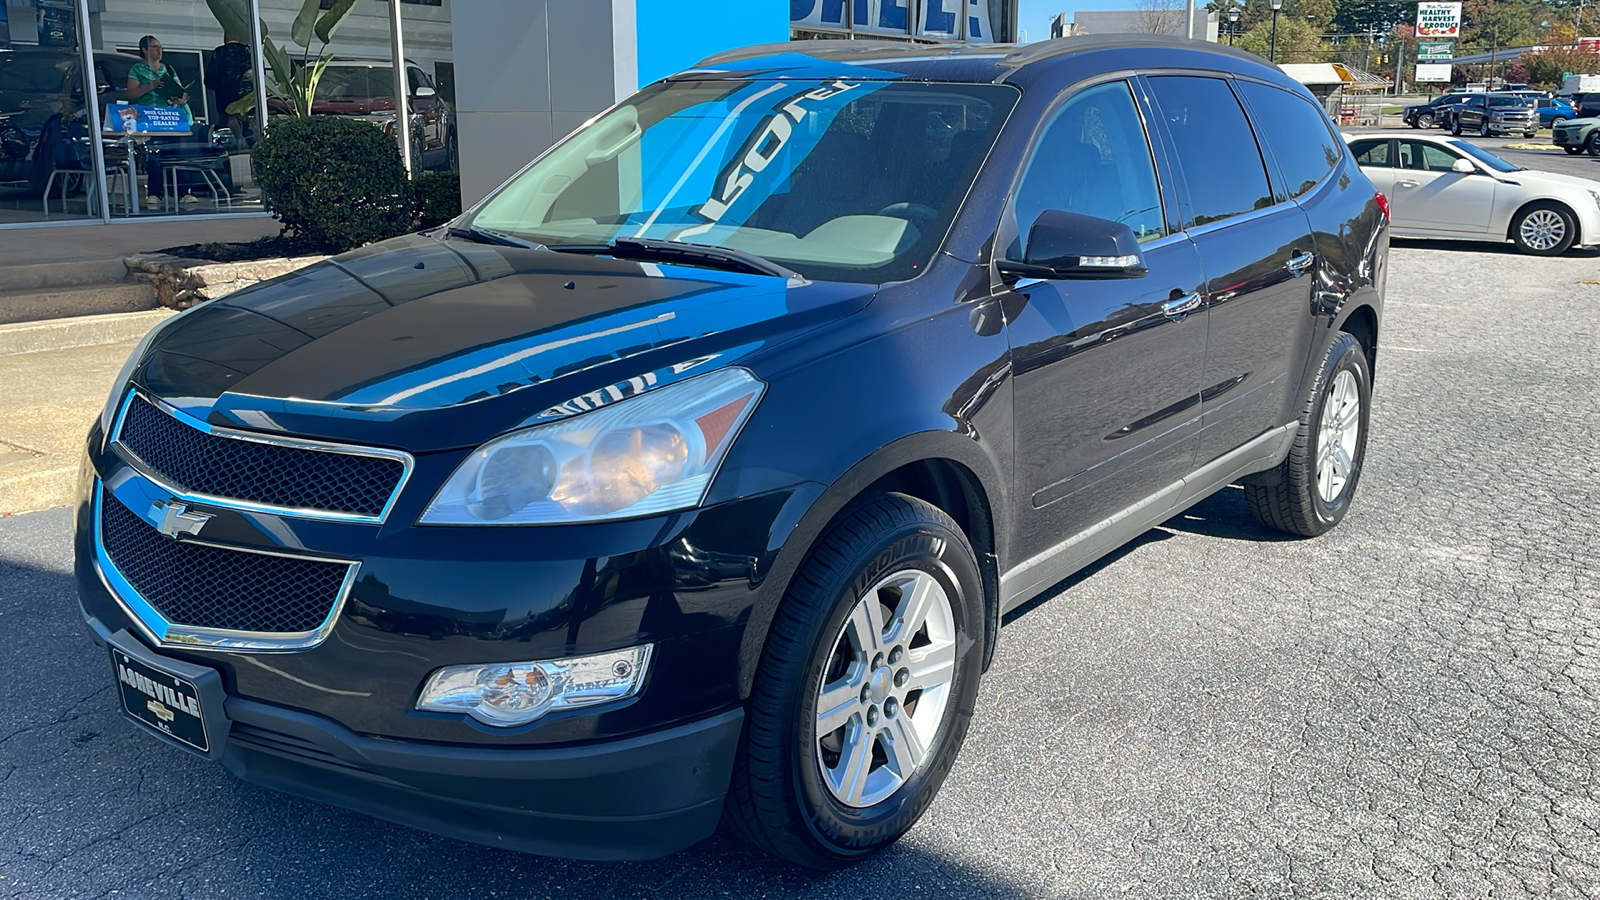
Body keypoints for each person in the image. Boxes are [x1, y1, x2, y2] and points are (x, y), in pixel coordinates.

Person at [206, 33, 253, 147]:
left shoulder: (220, 53)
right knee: (251, 137)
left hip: (225, 105)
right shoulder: (250, 53)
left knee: (227, 141)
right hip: (248, 104)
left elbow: (210, 81)